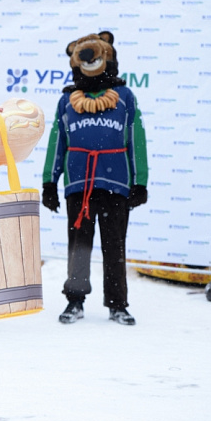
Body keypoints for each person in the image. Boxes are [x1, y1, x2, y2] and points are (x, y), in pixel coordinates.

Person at [43, 32, 148, 326]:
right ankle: (75, 301)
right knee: (79, 245)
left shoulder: (125, 97)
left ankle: (117, 304)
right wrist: (49, 182)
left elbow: (135, 139)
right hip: (79, 185)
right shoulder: (67, 100)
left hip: (116, 186)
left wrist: (140, 181)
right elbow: (57, 142)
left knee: (114, 245)